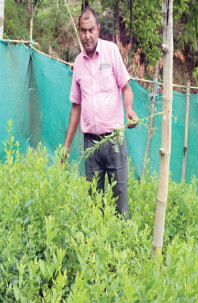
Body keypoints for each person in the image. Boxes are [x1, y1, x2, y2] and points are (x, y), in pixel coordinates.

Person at [63, 6, 138, 219]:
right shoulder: (78, 63)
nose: (87, 36)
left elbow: (125, 87)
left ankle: (122, 246)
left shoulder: (111, 51)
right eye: (83, 31)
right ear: (80, 31)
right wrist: (67, 146)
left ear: (98, 29)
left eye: (91, 30)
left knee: (119, 199)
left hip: (114, 140)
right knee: (94, 201)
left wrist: (129, 109)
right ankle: (97, 248)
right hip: (91, 144)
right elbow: (76, 106)